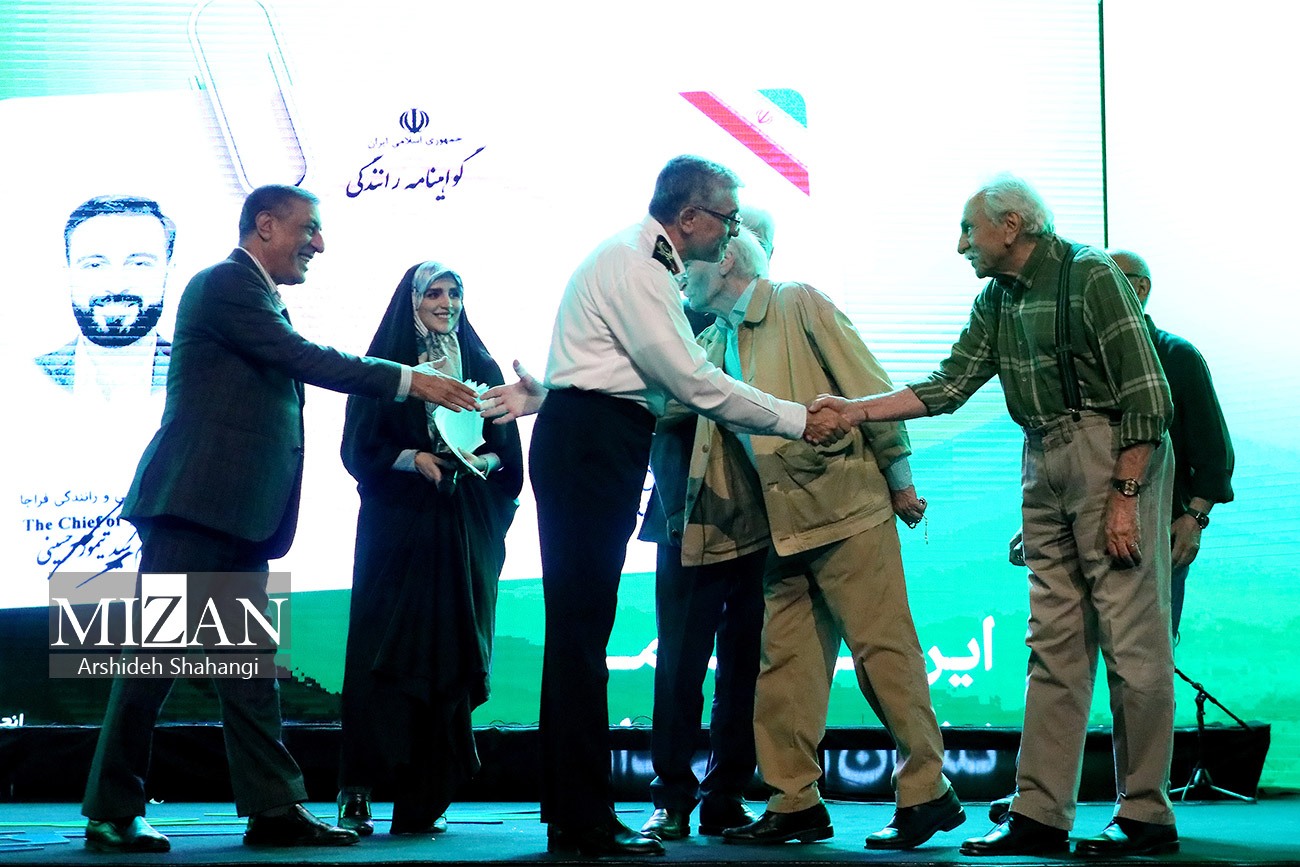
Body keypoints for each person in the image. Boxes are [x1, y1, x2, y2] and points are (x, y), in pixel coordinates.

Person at [79, 184, 479, 853]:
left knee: (249, 671)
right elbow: (304, 358)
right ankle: (112, 809)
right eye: (309, 228)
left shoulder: (256, 294)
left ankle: (273, 808)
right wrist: (411, 380)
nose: (319, 242)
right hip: (195, 506)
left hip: (234, 512)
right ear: (266, 225)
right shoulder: (224, 284)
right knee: (152, 663)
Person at [482, 155, 850, 857]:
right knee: (581, 636)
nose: (734, 232)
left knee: (580, 633)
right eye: (728, 218)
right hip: (594, 444)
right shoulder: (639, 268)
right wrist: (800, 419)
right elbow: (694, 382)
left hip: (595, 437)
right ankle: (583, 820)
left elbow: (611, 369)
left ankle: (574, 810)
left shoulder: (640, 262)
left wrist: (550, 394)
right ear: (689, 217)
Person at [814, 175, 1179, 858]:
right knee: (1053, 644)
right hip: (1042, 455)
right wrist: (855, 411)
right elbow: (949, 385)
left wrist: (1125, 495)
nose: (961, 245)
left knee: (1132, 643)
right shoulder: (997, 298)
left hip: (1110, 452)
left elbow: (1148, 395)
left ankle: (1145, 813)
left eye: (967, 229)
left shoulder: (1091, 274)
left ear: (1011, 226)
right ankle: (1040, 812)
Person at [660, 228, 962, 850]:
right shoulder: (712, 340)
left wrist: (901, 481)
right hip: (783, 527)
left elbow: (866, 384)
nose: (681, 272)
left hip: (847, 509)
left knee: (883, 653)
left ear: (726, 256)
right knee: (786, 666)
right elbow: (662, 403)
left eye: (690, 259)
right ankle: (794, 801)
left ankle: (927, 792)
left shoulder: (797, 301)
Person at [335, 261, 523, 837]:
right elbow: (358, 448)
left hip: (463, 529)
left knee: (451, 653)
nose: (446, 303)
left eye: (454, 293)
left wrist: (478, 462)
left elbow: (506, 453)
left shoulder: (482, 366)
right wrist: (413, 459)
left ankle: (425, 797)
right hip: (398, 530)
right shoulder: (386, 366)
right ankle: (358, 790)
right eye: (434, 293)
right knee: (381, 651)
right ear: (412, 302)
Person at [635, 219, 777, 844]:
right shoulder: (678, 319)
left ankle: (726, 795)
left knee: (745, 667)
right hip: (686, 519)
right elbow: (655, 406)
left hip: (763, 522)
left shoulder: (776, 324)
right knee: (680, 665)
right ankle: (671, 796)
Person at [1107, 249, 1234, 637]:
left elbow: (1214, 453)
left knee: (1152, 656)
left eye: (1110, 281)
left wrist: (1195, 519)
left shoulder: (1177, 356)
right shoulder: (1087, 358)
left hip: (1160, 535)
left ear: (1140, 288)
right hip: (1093, 532)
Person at [36, 195, 176, 398]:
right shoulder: (22, 377)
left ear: (168, 271)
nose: (116, 287)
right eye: (95, 265)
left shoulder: (202, 374)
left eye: (139, 264)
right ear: (68, 272)